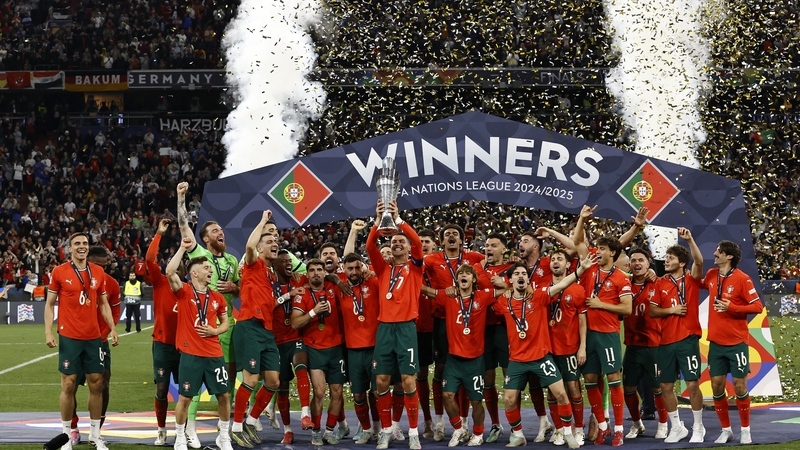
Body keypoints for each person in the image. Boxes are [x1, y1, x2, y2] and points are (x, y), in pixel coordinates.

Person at [494, 260, 593, 449]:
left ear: (528, 279)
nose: (521, 276)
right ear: (510, 280)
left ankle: (567, 432)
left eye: (524, 274)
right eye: (517, 274)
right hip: (517, 359)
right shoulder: (503, 302)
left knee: (561, 394)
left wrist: (580, 270)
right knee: (508, 399)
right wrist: (504, 289)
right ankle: (518, 434)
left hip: (541, 358)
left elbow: (563, 284)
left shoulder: (539, 296)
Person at [177, 181, 240, 445]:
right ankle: (189, 429)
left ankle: (225, 429)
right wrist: (181, 198)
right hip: (200, 325)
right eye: (215, 231)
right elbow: (184, 227)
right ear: (205, 238)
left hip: (226, 324)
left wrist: (235, 287)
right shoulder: (200, 254)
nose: (220, 232)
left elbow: (240, 289)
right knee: (191, 386)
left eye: (221, 230)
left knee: (228, 380)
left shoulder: (232, 260)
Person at [44, 232, 119, 450]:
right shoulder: (59, 272)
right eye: (77, 243)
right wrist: (48, 332)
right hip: (69, 336)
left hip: (93, 337)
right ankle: (67, 437)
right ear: (70, 248)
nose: (81, 246)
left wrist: (113, 328)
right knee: (68, 384)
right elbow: (49, 304)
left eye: (85, 243)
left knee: (97, 383)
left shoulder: (98, 272)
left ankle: (95, 435)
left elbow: (103, 303)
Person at [573, 205, 633, 446]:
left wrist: (600, 304)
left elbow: (627, 309)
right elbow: (578, 242)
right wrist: (581, 219)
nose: (597, 252)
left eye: (602, 249)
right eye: (597, 248)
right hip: (587, 335)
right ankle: (602, 426)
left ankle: (619, 429)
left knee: (613, 379)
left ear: (613, 253)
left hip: (608, 334)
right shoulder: (590, 270)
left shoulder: (620, 278)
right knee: (589, 380)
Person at [367, 200, 424, 450]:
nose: (397, 243)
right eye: (393, 241)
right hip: (385, 329)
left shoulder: (415, 267)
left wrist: (398, 219)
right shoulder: (383, 270)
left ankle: (413, 432)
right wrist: (378, 221)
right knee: (381, 381)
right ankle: (386, 430)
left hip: (406, 328)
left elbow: (419, 243)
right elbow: (370, 246)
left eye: (401, 241)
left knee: (408, 381)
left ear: (408, 248)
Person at [166, 238, 233, 450]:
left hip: (214, 354)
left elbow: (226, 323)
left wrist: (215, 331)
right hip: (191, 354)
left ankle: (224, 437)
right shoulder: (184, 291)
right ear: (194, 273)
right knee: (185, 398)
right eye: (206, 268)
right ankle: (179, 437)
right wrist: (182, 248)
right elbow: (169, 271)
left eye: (210, 268)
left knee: (223, 395)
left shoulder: (217, 298)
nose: (210, 270)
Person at [229, 211, 288, 448]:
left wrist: (285, 297)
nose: (275, 243)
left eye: (276, 241)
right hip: (249, 326)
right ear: (260, 248)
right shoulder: (253, 264)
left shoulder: (271, 274)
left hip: (266, 330)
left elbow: (269, 303)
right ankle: (235, 427)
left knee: (273, 381)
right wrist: (263, 222)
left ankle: (251, 421)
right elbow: (249, 246)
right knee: (251, 379)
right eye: (269, 241)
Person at [422, 264, 498, 447]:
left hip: (475, 360)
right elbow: (425, 290)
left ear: (474, 279)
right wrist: (408, 271)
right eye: (460, 274)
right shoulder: (449, 297)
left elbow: (506, 290)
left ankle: (478, 433)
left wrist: (503, 282)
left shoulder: (483, 296)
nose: (463, 276)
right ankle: (458, 429)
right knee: (447, 395)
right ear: (456, 280)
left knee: (476, 401)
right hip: (454, 359)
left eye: (467, 274)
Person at [424, 223, 484, 441]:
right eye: (447, 234)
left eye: (455, 234)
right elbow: (413, 271)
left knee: (467, 372)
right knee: (441, 371)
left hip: (469, 322)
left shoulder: (474, 258)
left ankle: (465, 422)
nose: (451, 236)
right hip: (442, 321)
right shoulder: (432, 259)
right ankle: (440, 422)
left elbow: (493, 262)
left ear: (461, 240)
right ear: (441, 241)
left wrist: (512, 260)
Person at [702, 240, 763, 444]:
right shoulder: (711, 274)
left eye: (719, 251)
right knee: (717, 387)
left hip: (737, 342)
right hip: (715, 343)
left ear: (729, 256)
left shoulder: (743, 279)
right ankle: (726, 430)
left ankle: (745, 430)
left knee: (739, 386)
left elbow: (757, 307)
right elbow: (695, 281)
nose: (715, 254)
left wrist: (732, 307)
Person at [649, 227, 705, 443]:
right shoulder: (660, 283)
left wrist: (689, 240)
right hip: (665, 342)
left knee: (692, 384)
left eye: (670, 258)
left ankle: (698, 427)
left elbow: (699, 261)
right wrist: (671, 310)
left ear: (682, 263)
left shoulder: (691, 279)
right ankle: (677, 427)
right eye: (666, 257)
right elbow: (653, 311)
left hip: (687, 339)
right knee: (665, 386)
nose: (666, 260)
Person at [69, 246, 121, 448]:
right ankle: (73, 428)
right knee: (70, 384)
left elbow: (114, 313)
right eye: (98, 265)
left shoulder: (112, 284)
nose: (102, 269)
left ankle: (96, 430)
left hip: (99, 341)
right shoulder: (74, 279)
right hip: (76, 339)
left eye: (105, 266)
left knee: (103, 383)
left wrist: (103, 334)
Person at [291, 259, 347, 445]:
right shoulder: (302, 294)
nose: (316, 273)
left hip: (336, 348)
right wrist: (313, 312)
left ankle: (329, 431)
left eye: (319, 269)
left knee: (337, 392)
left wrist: (337, 279)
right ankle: (316, 431)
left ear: (325, 272)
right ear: (307, 274)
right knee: (320, 393)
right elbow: (295, 323)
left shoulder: (333, 288)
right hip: (315, 348)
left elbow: (342, 277)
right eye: (312, 270)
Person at [621, 249, 669, 440]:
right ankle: (637, 424)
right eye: (633, 260)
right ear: (629, 265)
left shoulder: (657, 283)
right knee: (628, 388)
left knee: (657, 388)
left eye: (641, 260)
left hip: (653, 345)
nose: (637, 263)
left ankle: (663, 424)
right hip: (632, 345)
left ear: (648, 264)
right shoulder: (624, 284)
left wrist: (655, 274)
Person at [543, 249, 588, 446]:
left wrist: (582, 347)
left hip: (569, 348)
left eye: (560, 259)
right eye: (553, 259)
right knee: (552, 391)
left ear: (568, 265)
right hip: (548, 349)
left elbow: (582, 321)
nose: (556, 262)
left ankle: (579, 429)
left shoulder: (577, 289)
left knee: (573, 387)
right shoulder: (543, 289)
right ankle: (559, 429)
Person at [472, 233, 512, 444]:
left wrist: (505, 285)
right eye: (487, 245)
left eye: (494, 245)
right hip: (483, 329)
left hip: (506, 328)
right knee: (487, 379)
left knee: (510, 378)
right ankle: (496, 424)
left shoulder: (513, 269)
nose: (488, 248)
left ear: (504, 249)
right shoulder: (477, 269)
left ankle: (515, 426)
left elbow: (524, 289)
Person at [339, 252, 382, 443]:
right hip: (353, 350)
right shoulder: (340, 287)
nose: (354, 271)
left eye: (358, 267)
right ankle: (366, 429)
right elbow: (325, 276)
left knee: (378, 392)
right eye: (350, 268)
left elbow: (387, 276)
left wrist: (372, 271)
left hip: (375, 348)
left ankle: (381, 428)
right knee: (358, 394)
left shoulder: (373, 282)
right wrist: (336, 279)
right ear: (344, 269)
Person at [147, 219, 182, 446]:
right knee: (161, 389)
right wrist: (159, 234)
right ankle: (161, 430)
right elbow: (150, 259)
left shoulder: (187, 289)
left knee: (186, 391)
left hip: (183, 346)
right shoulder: (159, 282)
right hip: (162, 344)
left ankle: (183, 430)